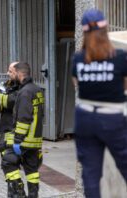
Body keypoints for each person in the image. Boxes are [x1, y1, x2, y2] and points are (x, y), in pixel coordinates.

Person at [71, 9, 127, 198]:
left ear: (84, 32)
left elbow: (77, 85)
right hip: (112, 117)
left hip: (85, 117)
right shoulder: (119, 57)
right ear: (106, 29)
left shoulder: (78, 59)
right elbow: (124, 85)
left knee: (91, 174)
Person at [0, 62, 44, 198]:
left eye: (11, 71)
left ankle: (19, 192)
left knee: (8, 163)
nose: (8, 74)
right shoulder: (37, 90)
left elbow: (24, 118)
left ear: (19, 73)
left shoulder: (25, 93)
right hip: (34, 141)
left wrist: (17, 140)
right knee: (32, 170)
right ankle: (33, 195)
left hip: (23, 140)